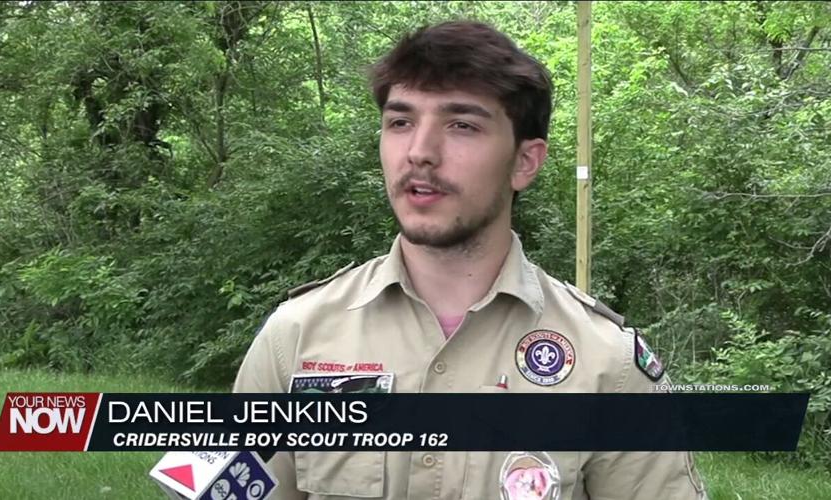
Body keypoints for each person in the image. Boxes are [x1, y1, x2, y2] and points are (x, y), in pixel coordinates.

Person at [234, 20, 707, 500]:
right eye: (400, 122)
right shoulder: (295, 338)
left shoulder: (608, 365)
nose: (419, 152)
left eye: (461, 125)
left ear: (525, 162)